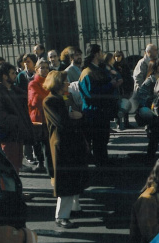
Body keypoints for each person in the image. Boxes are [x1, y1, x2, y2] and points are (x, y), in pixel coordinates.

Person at [43, 71, 88, 229]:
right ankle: (61, 216)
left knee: (74, 178)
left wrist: (77, 117)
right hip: (62, 145)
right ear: (57, 83)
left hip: (72, 144)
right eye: (65, 82)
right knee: (65, 181)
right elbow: (62, 123)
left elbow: (74, 115)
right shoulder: (50, 101)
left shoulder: (65, 98)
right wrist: (76, 118)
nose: (68, 84)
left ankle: (75, 208)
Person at [0, 62, 34, 174]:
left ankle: (15, 190)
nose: (15, 75)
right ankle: (11, 191)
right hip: (8, 136)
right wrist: (16, 120)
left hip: (17, 134)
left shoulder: (14, 91)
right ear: (4, 76)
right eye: (12, 73)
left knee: (16, 165)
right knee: (10, 167)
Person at [79, 44, 118, 167]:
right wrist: (110, 85)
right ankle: (100, 168)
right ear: (96, 54)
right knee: (98, 143)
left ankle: (103, 164)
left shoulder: (99, 69)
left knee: (103, 141)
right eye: (100, 52)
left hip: (102, 112)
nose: (102, 55)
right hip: (93, 113)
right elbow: (91, 94)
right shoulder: (87, 72)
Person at [132, 59, 159, 162]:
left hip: (157, 111)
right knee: (155, 136)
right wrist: (153, 101)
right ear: (155, 67)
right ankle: (150, 159)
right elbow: (142, 95)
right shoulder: (151, 80)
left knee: (158, 136)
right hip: (152, 112)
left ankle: (155, 159)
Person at [27, 59, 53, 174]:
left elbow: (64, 95)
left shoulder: (52, 81)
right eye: (42, 67)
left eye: (47, 67)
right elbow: (37, 100)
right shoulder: (33, 83)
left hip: (50, 117)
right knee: (42, 144)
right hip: (38, 118)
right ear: (36, 70)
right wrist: (52, 97)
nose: (45, 70)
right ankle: (44, 166)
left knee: (49, 145)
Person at [104, 53, 125, 130]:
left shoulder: (112, 67)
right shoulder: (107, 68)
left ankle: (118, 123)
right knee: (113, 107)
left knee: (117, 106)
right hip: (112, 90)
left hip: (115, 90)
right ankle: (116, 123)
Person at [114, 50, 135, 128]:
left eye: (119, 56)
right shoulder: (114, 66)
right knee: (117, 105)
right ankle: (118, 122)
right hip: (118, 88)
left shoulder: (125, 66)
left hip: (125, 87)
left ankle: (126, 122)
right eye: (115, 56)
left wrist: (130, 89)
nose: (117, 58)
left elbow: (128, 78)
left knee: (125, 105)